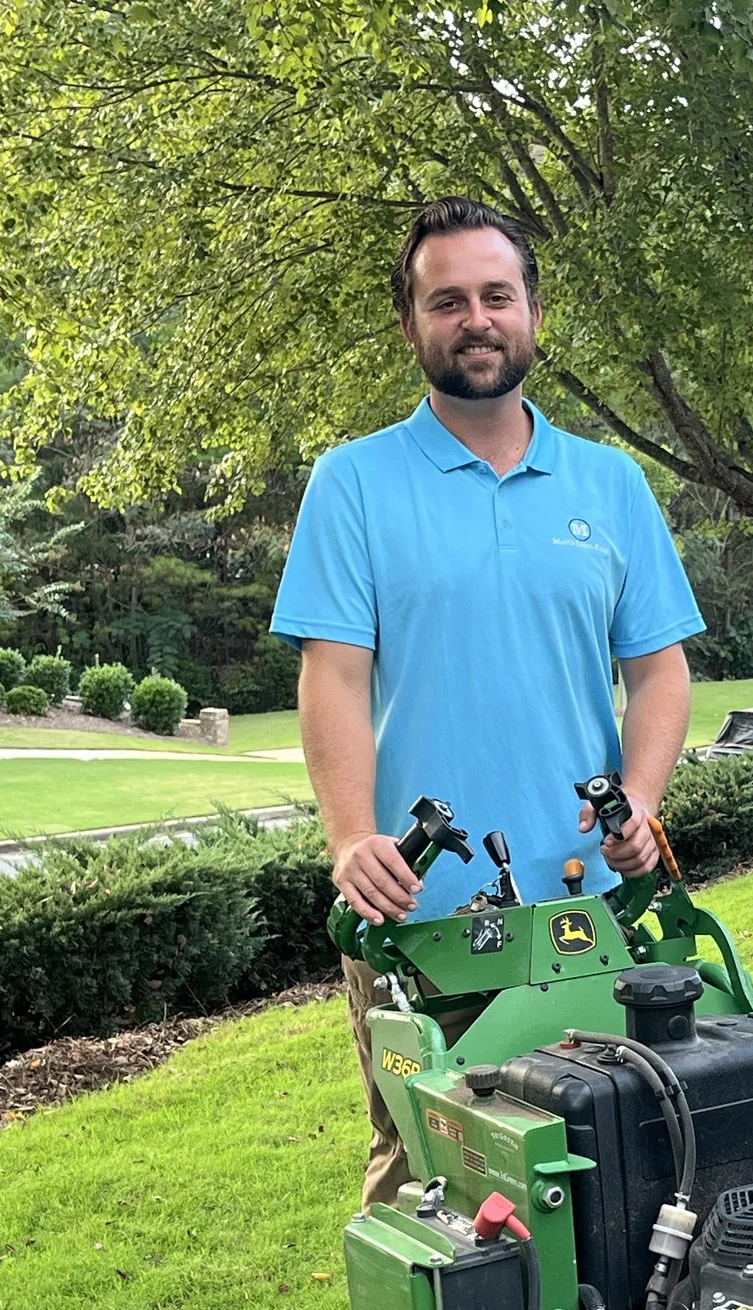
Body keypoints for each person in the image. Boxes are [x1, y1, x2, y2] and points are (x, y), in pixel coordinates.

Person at [273, 196, 705, 1216]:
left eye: (497, 296)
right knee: (429, 1179)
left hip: (590, 909)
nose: (476, 319)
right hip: (419, 917)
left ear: (533, 313)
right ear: (411, 323)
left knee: (614, 1167)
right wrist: (351, 838)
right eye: (448, 301)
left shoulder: (609, 484)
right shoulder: (354, 484)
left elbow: (659, 670)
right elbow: (332, 676)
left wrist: (640, 802)